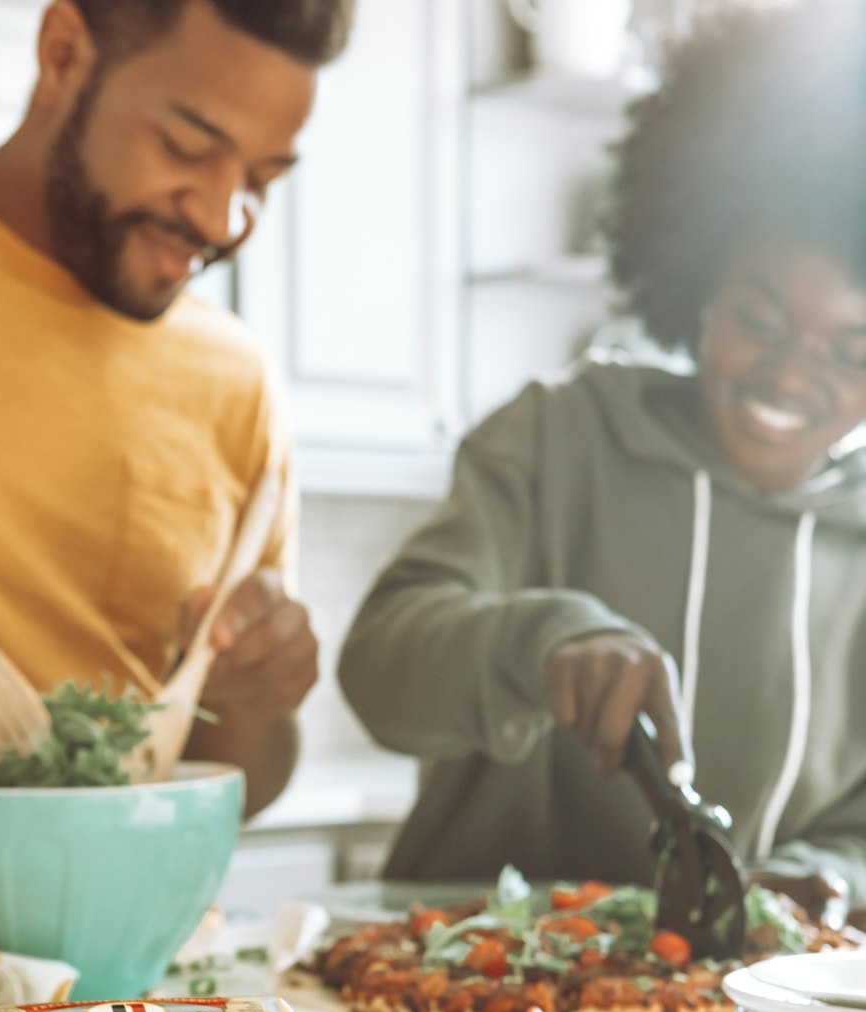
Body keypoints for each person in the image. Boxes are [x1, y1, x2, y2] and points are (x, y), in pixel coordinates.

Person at [339, 0, 866, 922]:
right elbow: (381, 667)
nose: (791, 373)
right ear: (699, 285)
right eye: (759, 319)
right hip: (469, 992)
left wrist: (825, 875)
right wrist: (545, 644)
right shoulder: (557, 437)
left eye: (851, 351)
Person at [0, 0, 357, 816]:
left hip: (111, 938)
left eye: (262, 180)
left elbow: (238, 782)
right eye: (188, 148)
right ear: (63, 55)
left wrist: (255, 694)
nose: (222, 216)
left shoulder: (238, 388)